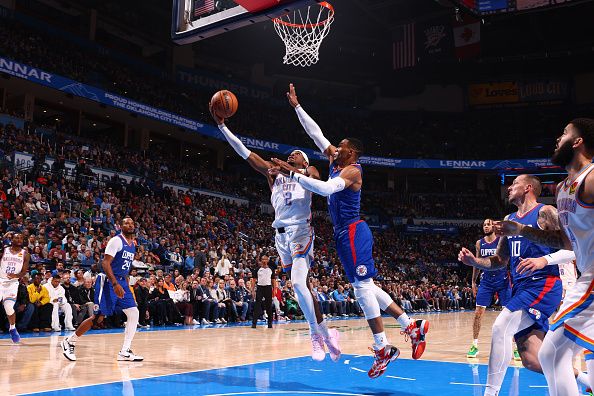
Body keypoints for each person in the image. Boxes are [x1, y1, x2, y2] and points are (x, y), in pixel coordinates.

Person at [271, 83, 428, 379]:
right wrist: (297, 107)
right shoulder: (334, 159)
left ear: (351, 152)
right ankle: (410, 325)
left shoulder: (352, 170)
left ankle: (383, 346)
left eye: (340, 146)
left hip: (354, 230)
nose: (334, 147)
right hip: (343, 234)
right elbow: (315, 133)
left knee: (361, 288)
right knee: (366, 285)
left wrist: (292, 173)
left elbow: (327, 188)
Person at [210, 101, 340, 362]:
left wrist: (291, 168)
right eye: (289, 155)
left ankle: (316, 334)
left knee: (298, 284)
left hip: (301, 231)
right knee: (303, 290)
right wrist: (223, 126)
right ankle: (326, 331)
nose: (291, 155)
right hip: (281, 237)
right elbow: (245, 153)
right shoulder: (274, 176)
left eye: (296, 154)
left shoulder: (308, 170)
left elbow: (317, 182)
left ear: (303, 160)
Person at [458, 173, 589, 396]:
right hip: (521, 288)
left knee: (500, 327)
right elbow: (499, 261)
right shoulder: (508, 219)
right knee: (532, 359)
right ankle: (587, 381)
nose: (509, 188)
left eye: (514, 184)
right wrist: (475, 262)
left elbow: (574, 246)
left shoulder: (545, 212)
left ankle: (490, 393)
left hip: (543, 285)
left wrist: (543, 260)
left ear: (528, 188)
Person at [495, 118, 594, 395]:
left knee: (552, 353)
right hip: (585, 272)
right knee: (561, 356)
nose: (557, 138)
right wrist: (522, 230)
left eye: (564, 133)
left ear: (578, 142)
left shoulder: (591, 178)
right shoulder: (563, 188)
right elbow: (564, 240)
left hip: (592, 277)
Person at [60, 217, 143, 361]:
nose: (130, 225)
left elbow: (125, 266)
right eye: (126, 223)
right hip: (109, 281)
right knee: (99, 317)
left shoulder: (132, 245)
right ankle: (69, 341)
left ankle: (124, 351)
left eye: (132, 223)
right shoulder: (116, 241)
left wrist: (124, 283)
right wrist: (115, 283)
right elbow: (105, 263)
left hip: (122, 281)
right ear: (120, 226)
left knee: (133, 313)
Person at [467, 219, 512, 358]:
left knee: (510, 314)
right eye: (484, 225)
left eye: (488, 224)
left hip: (503, 280)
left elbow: (509, 259)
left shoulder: (501, 240)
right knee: (478, 313)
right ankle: (474, 345)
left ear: (494, 226)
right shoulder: (479, 243)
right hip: (486, 281)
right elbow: (477, 262)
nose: (486, 227)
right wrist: (473, 281)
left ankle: (514, 346)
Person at [0, 233, 30, 342]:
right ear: (11, 239)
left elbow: (23, 272)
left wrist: (16, 276)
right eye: (17, 237)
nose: (19, 239)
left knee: (8, 307)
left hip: (12, 283)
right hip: (0, 280)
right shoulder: (4, 250)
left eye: (21, 238)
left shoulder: (25, 254)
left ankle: (12, 328)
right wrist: (4, 238)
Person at [251, 254, 274, 329]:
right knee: (257, 306)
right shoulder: (257, 269)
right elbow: (254, 280)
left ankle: (270, 323)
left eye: (265, 259)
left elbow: (273, 280)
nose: (264, 261)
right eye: (263, 259)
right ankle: (254, 323)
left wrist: (275, 289)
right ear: (261, 260)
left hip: (268, 288)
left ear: (268, 260)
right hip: (260, 288)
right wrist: (252, 290)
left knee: (269, 306)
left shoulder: (271, 269)